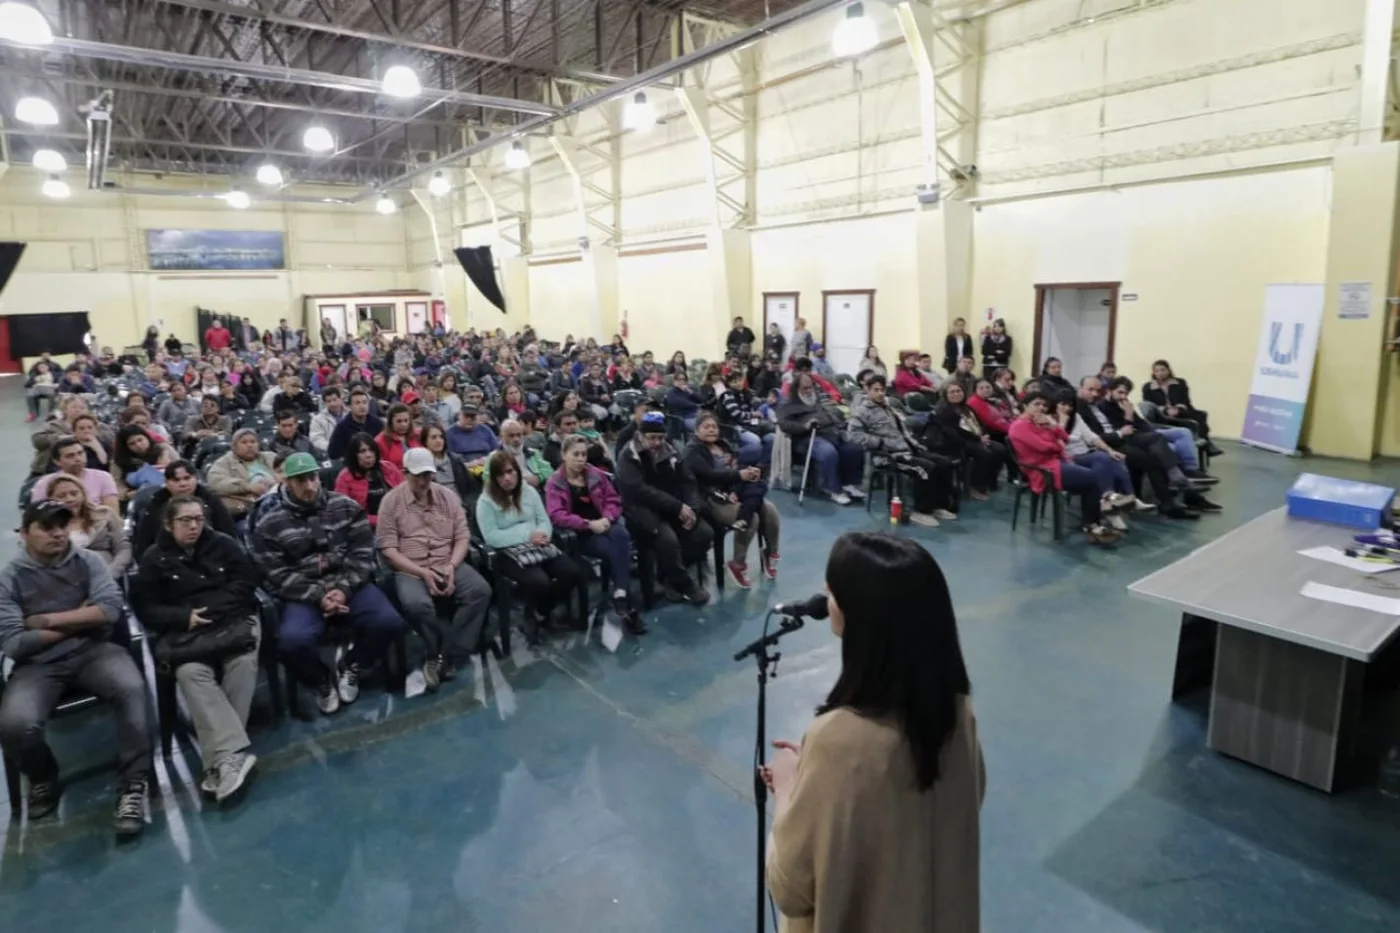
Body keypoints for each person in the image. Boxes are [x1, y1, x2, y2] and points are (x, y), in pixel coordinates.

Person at [764, 531, 983, 933]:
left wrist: (787, 786)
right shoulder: (957, 713)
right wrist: (822, 775)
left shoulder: (839, 740)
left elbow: (791, 888)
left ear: (858, 615)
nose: (826, 599)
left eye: (833, 593)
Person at [0, 500, 150, 838]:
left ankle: (133, 786)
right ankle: (42, 777)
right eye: (46, 527)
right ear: (25, 533)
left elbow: (110, 610)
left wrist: (43, 621)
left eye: (61, 525)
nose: (57, 533)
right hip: (38, 667)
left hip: (94, 652)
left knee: (132, 689)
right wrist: (82, 618)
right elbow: (14, 644)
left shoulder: (88, 561)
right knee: (16, 725)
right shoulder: (9, 580)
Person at [252, 452, 406, 715]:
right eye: (300, 480)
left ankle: (353, 663)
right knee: (291, 641)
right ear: (287, 482)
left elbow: (362, 554)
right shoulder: (270, 523)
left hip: (348, 585)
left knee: (389, 621)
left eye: (312, 478)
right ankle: (321, 679)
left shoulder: (345, 507)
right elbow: (276, 573)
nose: (309, 486)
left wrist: (343, 589)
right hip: (303, 592)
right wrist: (319, 595)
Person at [129, 496, 260, 804]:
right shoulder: (153, 558)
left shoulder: (224, 544)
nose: (193, 526)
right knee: (189, 672)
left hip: (232, 623)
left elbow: (247, 580)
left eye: (198, 520)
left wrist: (213, 609)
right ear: (168, 524)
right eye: (185, 520)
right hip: (188, 634)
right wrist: (183, 617)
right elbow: (146, 607)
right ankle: (232, 756)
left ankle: (219, 761)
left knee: (242, 663)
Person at [378, 448, 494, 688]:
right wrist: (422, 573)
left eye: (428, 475)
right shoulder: (390, 502)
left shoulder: (448, 497)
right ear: (405, 473)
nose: (423, 481)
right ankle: (436, 652)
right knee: (417, 604)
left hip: (446, 560)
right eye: (417, 475)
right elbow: (388, 549)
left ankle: (445, 655)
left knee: (480, 591)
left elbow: (462, 536)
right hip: (411, 567)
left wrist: (451, 566)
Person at [476, 451, 586, 646]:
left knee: (573, 572)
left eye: (510, 472)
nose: (507, 478)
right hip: (506, 551)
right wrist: (528, 533)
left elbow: (543, 520)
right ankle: (532, 616)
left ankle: (540, 610)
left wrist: (543, 534)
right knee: (540, 581)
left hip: (537, 543)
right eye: (501, 475)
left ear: (517, 471)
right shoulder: (485, 501)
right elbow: (491, 537)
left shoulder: (529, 491)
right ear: (493, 478)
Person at [544, 435, 645, 634]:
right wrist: (589, 524)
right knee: (617, 548)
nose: (581, 459)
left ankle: (620, 594)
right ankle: (625, 602)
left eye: (584, 454)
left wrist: (607, 518)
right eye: (576, 454)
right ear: (564, 455)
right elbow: (557, 516)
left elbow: (613, 500)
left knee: (621, 535)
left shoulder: (595, 475)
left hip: (605, 525)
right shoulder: (555, 483)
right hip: (580, 534)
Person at [614, 412, 713, 606]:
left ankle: (668, 574)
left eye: (660, 437)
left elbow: (688, 480)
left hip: (672, 506)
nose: (657, 442)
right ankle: (683, 584)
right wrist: (678, 507)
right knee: (667, 540)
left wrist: (692, 508)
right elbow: (640, 491)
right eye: (652, 438)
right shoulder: (628, 455)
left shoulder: (671, 450)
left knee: (703, 533)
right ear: (640, 436)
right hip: (642, 509)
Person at [1074, 376, 1201, 520]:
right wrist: (1121, 431)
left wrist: (1126, 422)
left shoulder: (1095, 404)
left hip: (1120, 440)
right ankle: (1173, 495)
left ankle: (1175, 496)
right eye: (1090, 390)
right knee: (1154, 453)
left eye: (1097, 390)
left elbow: (1138, 424)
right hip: (1107, 446)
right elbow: (1095, 437)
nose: (1095, 394)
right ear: (1080, 388)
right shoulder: (1080, 408)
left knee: (1156, 451)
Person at [1007, 393, 1123, 545]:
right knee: (1091, 478)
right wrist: (1056, 444)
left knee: (1091, 480)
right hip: (1042, 470)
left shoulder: (1041, 422)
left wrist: (1053, 426)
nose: (1041, 408)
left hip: (1057, 462)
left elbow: (1065, 438)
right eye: (1036, 404)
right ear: (1024, 406)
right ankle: (1100, 512)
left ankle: (1093, 523)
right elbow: (1045, 447)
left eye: (1043, 405)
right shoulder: (1019, 426)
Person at [683, 412, 781, 588]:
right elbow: (708, 475)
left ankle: (771, 553)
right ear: (697, 430)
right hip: (710, 497)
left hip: (733, 490)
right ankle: (738, 564)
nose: (712, 430)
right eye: (706, 427)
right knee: (750, 518)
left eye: (714, 426)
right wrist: (739, 475)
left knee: (770, 510)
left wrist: (750, 472)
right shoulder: (692, 450)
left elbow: (737, 466)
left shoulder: (723, 445)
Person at [847, 374, 958, 527]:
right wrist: (879, 442)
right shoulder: (862, 411)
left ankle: (937, 505)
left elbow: (902, 430)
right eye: (875, 390)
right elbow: (853, 436)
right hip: (889, 456)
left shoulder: (889, 407)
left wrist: (915, 444)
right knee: (926, 468)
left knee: (943, 464)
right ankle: (920, 510)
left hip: (909, 448)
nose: (880, 393)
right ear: (867, 390)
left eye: (882, 389)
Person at [1054, 390, 1142, 531]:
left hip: (1086, 454)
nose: (1067, 408)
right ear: (1055, 404)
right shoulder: (1049, 421)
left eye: (1070, 405)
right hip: (1069, 458)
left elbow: (1092, 437)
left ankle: (1122, 501)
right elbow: (1057, 446)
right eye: (1063, 404)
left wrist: (1110, 450)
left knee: (1113, 458)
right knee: (1102, 458)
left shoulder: (1076, 417)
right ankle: (1112, 500)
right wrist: (1062, 423)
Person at [777, 373, 866, 505]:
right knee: (828, 452)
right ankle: (833, 490)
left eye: (810, 387)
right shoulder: (788, 403)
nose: (809, 391)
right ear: (797, 388)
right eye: (805, 388)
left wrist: (837, 421)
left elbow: (828, 415)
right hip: (804, 437)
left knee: (854, 449)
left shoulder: (815, 399)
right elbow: (784, 424)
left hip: (828, 433)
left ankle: (849, 484)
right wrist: (804, 425)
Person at [131, 459, 239, 556]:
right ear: (166, 483)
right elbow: (143, 543)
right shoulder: (156, 504)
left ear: (196, 479)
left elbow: (228, 533)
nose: (182, 484)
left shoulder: (210, 499)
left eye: (187, 478)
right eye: (176, 480)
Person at [928, 383, 1005, 500]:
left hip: (975, 437)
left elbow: (979, 423)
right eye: (952, 392)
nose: (956, 394)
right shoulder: (944, 410)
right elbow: (953, 432)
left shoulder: (966, 407)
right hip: (956, 442)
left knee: (1000, 449)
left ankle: (989, 482)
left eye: (959, 391)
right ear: (945, 395)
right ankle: (975, 486)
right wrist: (978, 439)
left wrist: (984, 435)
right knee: (984, 453)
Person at [45, 474, 131, 577]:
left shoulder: (105, 515)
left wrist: (111, 573)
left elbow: (123, 549)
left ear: (83, 494)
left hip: (106, 573)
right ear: (51, 500)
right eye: (61, 496)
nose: (69, 499)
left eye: (74, 493)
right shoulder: (46, 525)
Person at [1144, 359, 1223, 457]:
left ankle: (1205, 442)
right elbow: (1149, 404)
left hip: (1180, 411)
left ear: (1168, 370)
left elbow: (1185, 400)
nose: (1160, 373)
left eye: (1163, 370)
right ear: (1153, 372)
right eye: (1157, 371)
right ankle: (1206, 444)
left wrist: (1178, 409)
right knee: (1194, 420)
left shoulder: (1180, 383)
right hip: (1162, 415)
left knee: (1201, 415)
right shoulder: (1148, 387)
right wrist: (1166, 410)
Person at [31, 435, 121, 511]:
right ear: (57, 461)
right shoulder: (45, 483)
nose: (78, 458)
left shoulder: (103, 477)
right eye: (70, 456)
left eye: (80, 453)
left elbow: (112, 513)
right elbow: (38, 515)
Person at [206, 428, 278, 518]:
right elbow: (215, 482)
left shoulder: (271, 457)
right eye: (244, 442)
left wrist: (274, 484)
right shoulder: (225, 462)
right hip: (248, 510)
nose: (249, 445)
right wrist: (248, 486)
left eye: (253, 442)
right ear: (234, 446)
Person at [335, 433, 403, 526]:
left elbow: (406, 495)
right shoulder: (344, 477)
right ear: (354, 455)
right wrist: (380, 520)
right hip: (364, 528)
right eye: (362, 451)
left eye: (371, 450)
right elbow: (344, 512)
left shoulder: (389, 468)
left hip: (397, 521)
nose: (368, 455)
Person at [112, 424, 177, 499]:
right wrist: (128, 494)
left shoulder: (163, 449)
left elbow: (182, 468)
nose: (138, 445)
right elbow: (116, 484)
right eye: (132, 444)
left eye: (140, 440)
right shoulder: (119, 460)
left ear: (147, 437)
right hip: (136, 497)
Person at [326, 386, 384, 460]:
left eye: (364, 402)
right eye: (357, 403)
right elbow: (334, 454)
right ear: (349, 407)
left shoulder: (377, 424)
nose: (362, 406)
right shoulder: (342, 428)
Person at [309, 386, 345, 456]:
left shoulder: (351, 414)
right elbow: (316, 439)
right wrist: (333, 447)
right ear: (324, 403)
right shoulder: (317, 419)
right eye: (329, 401)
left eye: (335, 400)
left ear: (340, 399)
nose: (333, 404)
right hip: (330, 454)